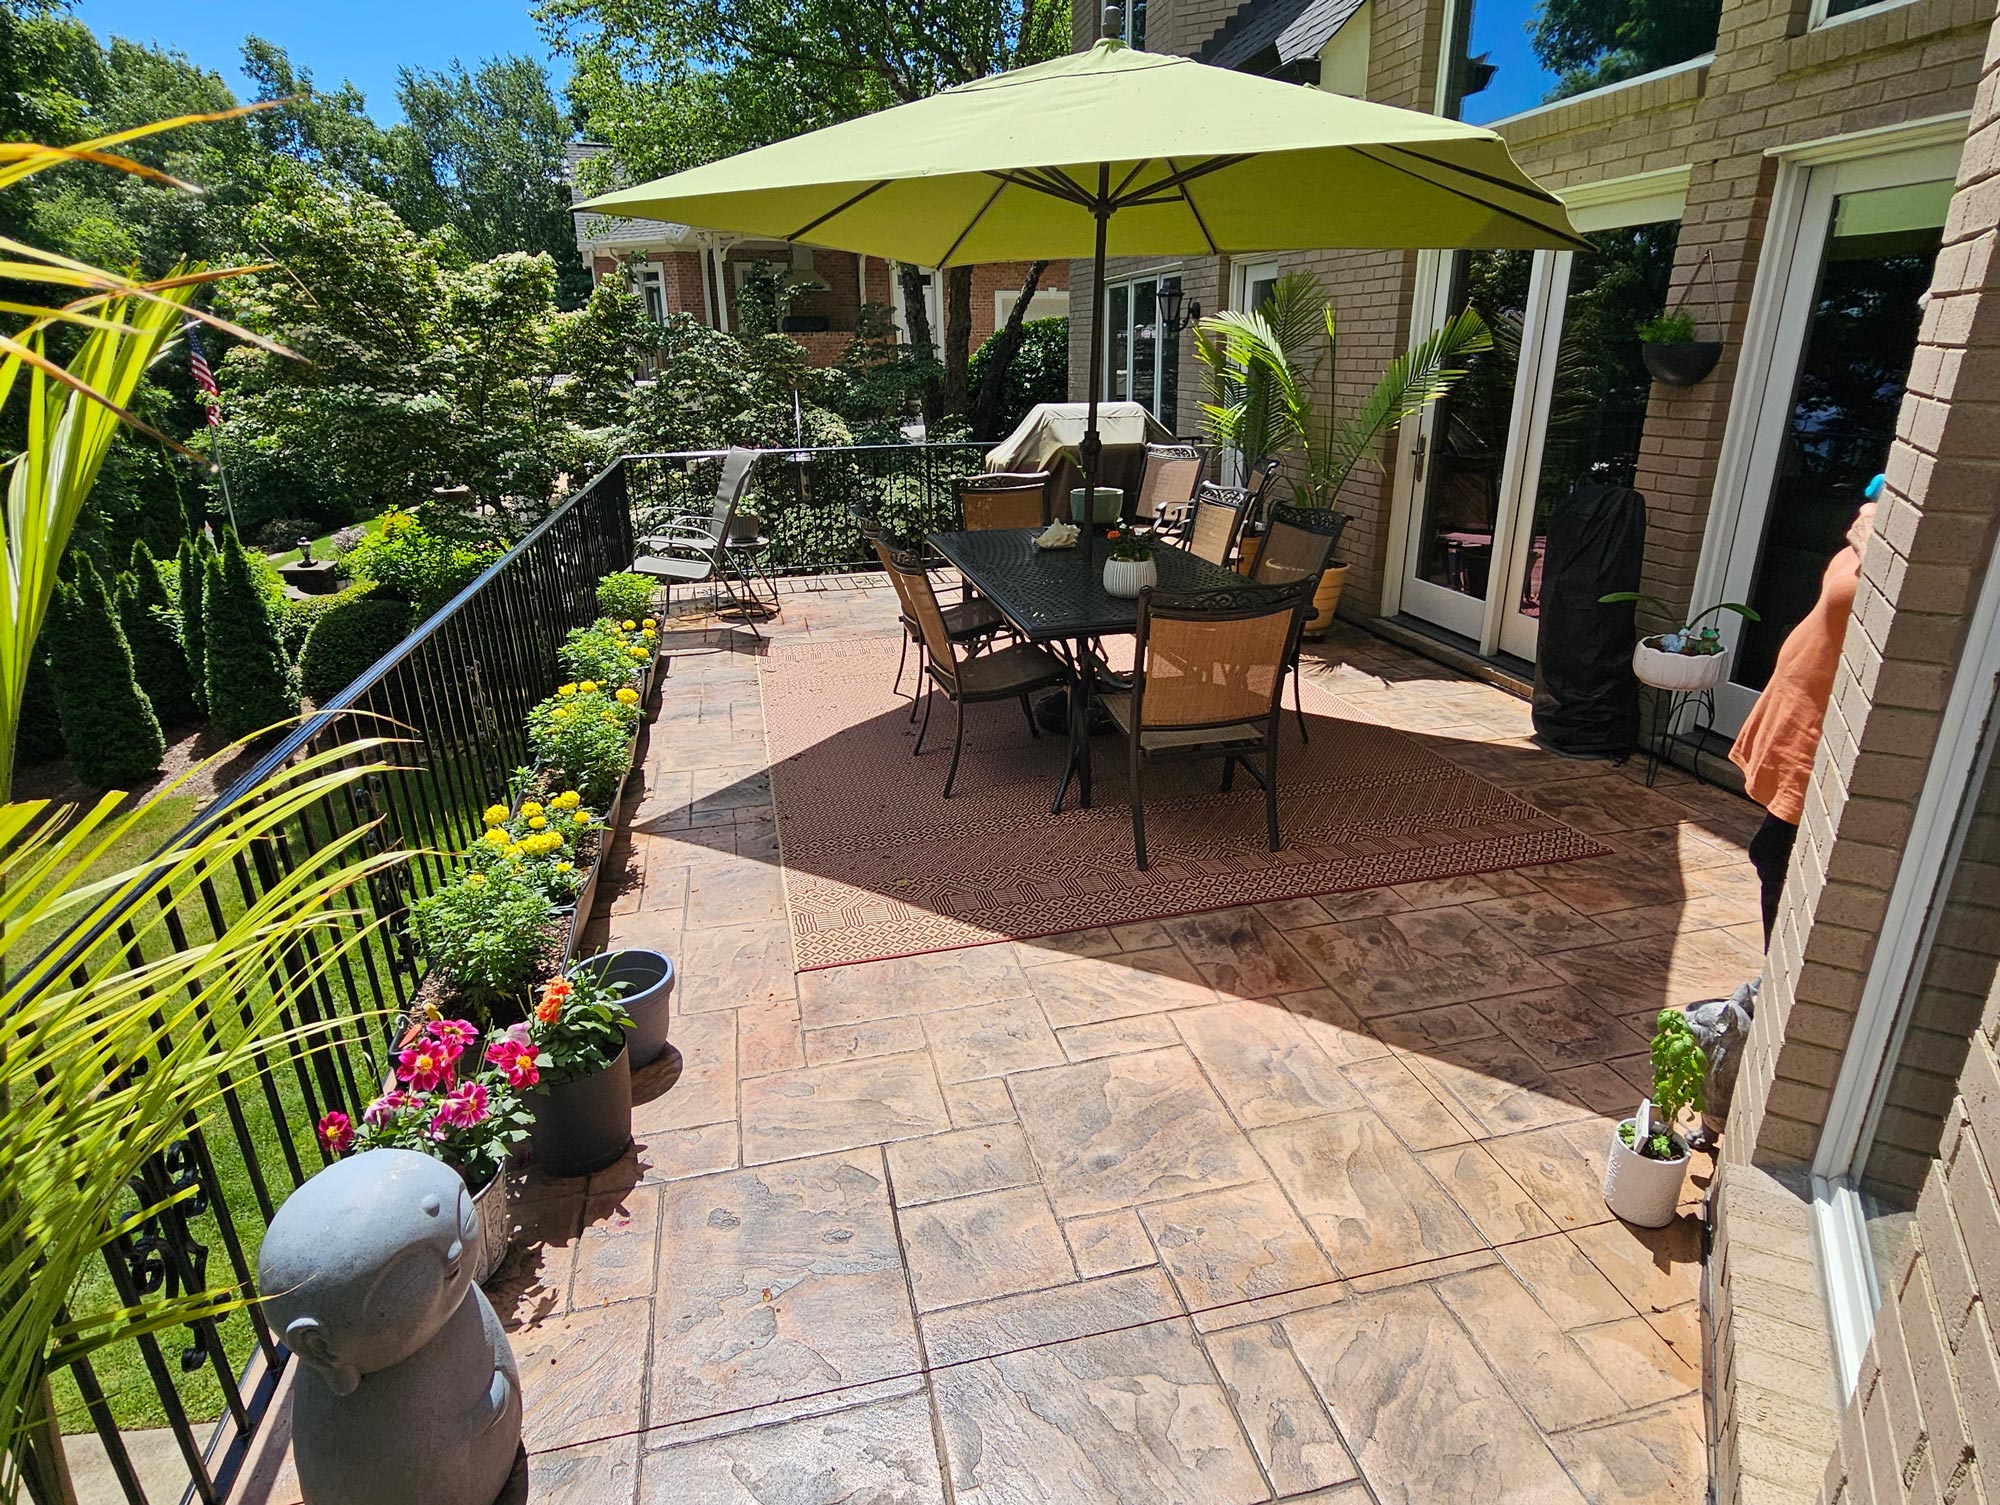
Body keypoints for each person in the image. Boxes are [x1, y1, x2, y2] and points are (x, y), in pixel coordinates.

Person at [1729, 479, 1880, 945]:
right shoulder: (1873, 524)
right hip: (1801, 716)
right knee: (1777, 857)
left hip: (1831, 734)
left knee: (1779, 857)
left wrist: (1882, 519)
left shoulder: (1892, 535)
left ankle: (1781, 995)